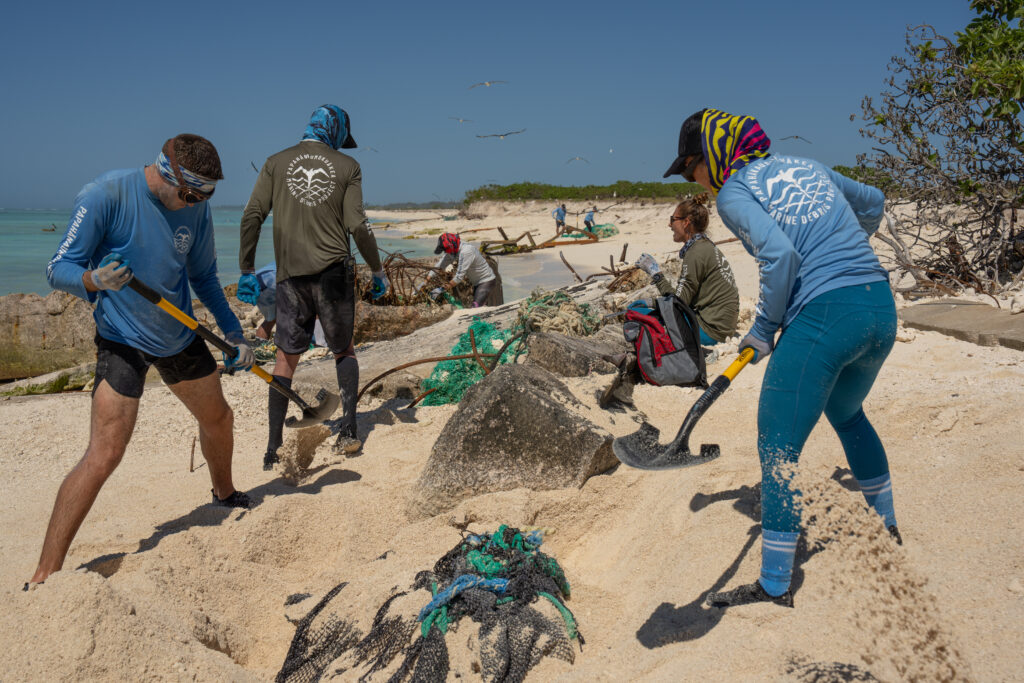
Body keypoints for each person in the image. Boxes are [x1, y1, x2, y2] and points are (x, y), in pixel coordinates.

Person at [663, 108, 898, 608]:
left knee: (776, 443)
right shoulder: (808, 166)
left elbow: (782, 257)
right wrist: (849, 251)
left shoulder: (734, 192)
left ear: (713, 156)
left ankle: (774, 585)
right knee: (847, 412)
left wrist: (766, 329)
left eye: (691, 168)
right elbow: (874, 202)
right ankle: (888, 530)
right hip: (878, 306)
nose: (694, 181)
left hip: (826, 316)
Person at [33, 134, 252, 587]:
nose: (194, 203)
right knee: (105, 452)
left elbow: (205, 277)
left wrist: (234, 333)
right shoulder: (104, 195)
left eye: (204, 197)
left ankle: (224, 495)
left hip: (178, 333)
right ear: (165, 171)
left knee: (219, 420)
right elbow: (58, 268)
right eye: (190, 194)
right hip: (121, 339)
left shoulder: (196, 206)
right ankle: (43, 573)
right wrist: (94, 280)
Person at [239, 105, 389, 469]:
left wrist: (246, 268)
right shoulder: (348, 167)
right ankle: (350, 432)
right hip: (333, 275)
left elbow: (252, 216)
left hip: (290, 277)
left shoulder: (275, 163)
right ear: (335, 132)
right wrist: (378, 270)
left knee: (285, 358)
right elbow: (358, 225)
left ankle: (273, 447)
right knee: (344, 350)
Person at [634, 193, 740, 346]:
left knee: (635, 311)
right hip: (722, 327)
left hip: (710, 332)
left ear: (686, 222)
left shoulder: (695, 253)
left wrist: (656, 275)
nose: (669, 225)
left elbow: (678, 304)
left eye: (673, 219)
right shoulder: (705, 245)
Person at [250, 262, 326, 349]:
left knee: (269, 320)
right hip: (279, 280)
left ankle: (260, 349)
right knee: (314, 310)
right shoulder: (316, 262)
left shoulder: (286, 258)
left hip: (258, 281)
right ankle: (320, 344)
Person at [431, 232, 502, 307]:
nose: (446, 252)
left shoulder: (466, 251)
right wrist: (426, 280)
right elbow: (440, 265)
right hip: (477, 283)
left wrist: (441, 289)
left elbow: (459, 276)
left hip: (486, 281)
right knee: (479, 306)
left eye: (446, 250)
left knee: (475, 307)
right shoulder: (453, 250)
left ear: (451, 246)